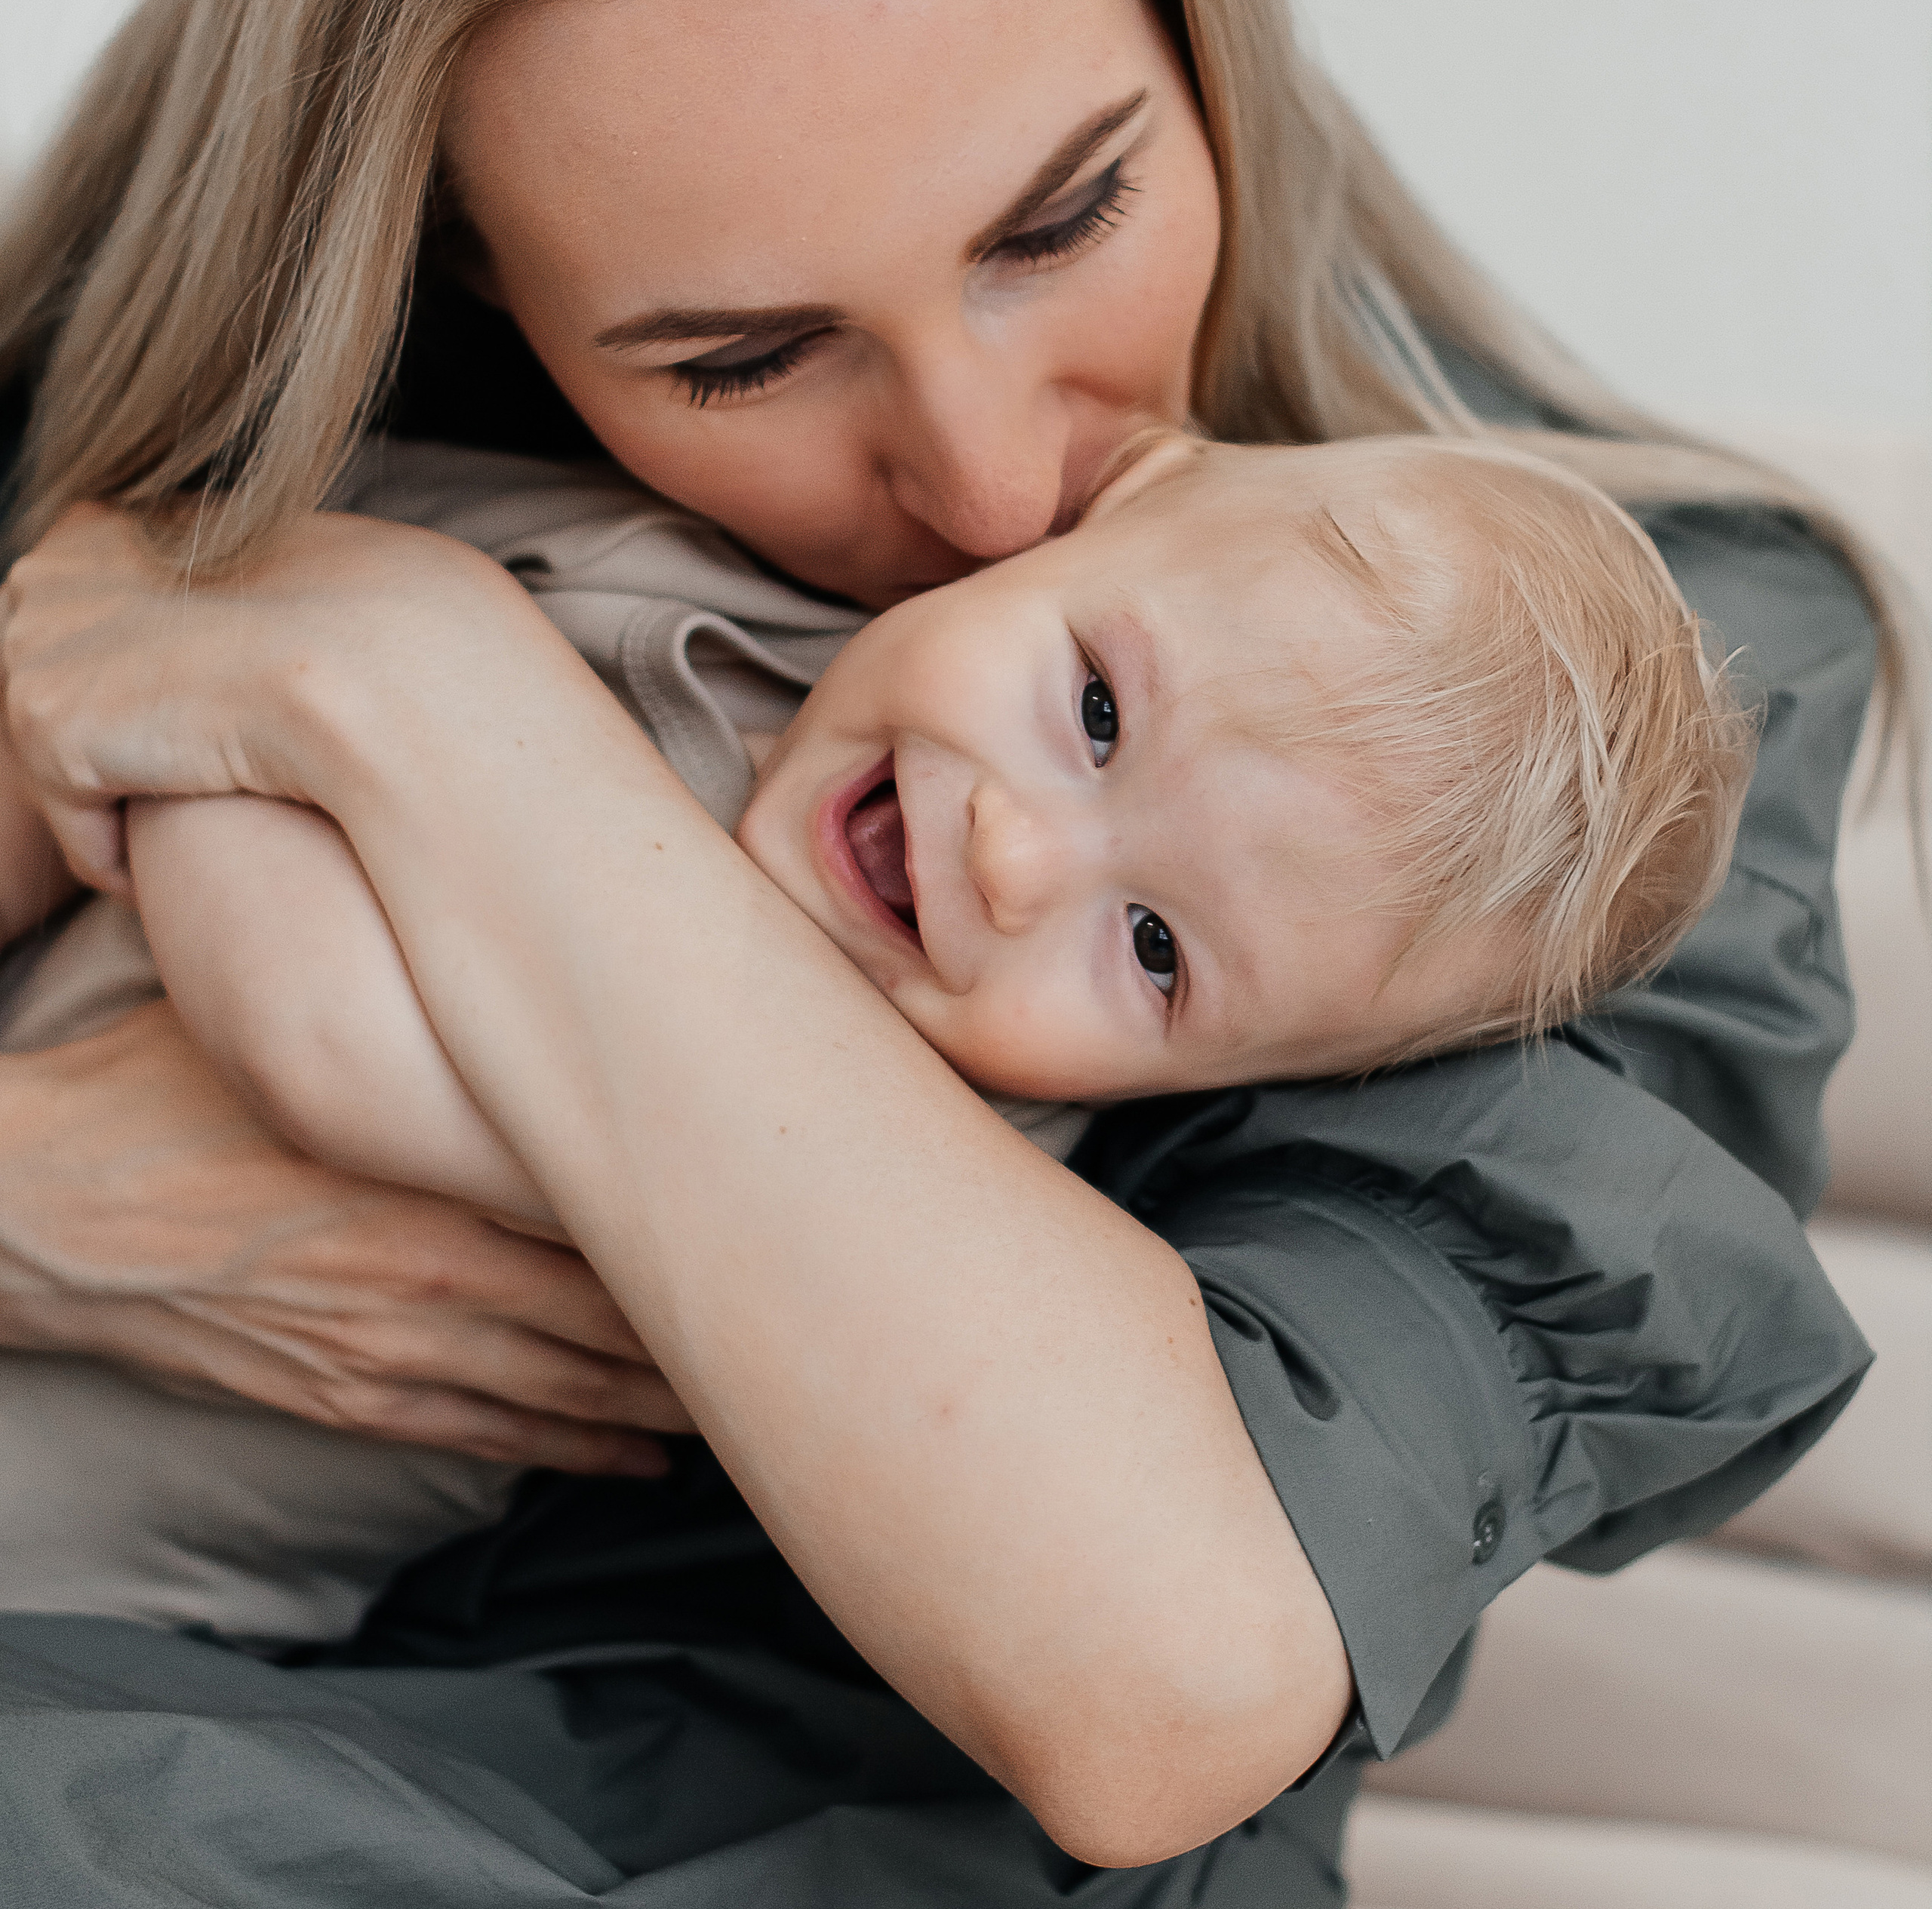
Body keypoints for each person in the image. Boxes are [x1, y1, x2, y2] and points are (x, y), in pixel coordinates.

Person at [0, 0, 1894, 1909]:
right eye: (738, 356)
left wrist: (409, 683)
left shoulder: (1618, 700)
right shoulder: (257, 435)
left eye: (1067, 212)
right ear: (469, 277)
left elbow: (1156, 1670)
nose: (994, 479)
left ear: (1192, 15)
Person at [0, 423, 1757, 1642]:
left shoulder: (915, 1159)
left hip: (67, 1555)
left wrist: (244, 707)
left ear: (1235, 1081)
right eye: (1092, 707)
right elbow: (152, 581)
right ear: (1109, 498)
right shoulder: (682, 577)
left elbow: (313, 1033)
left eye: (1150, 950)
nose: (1009, 855)